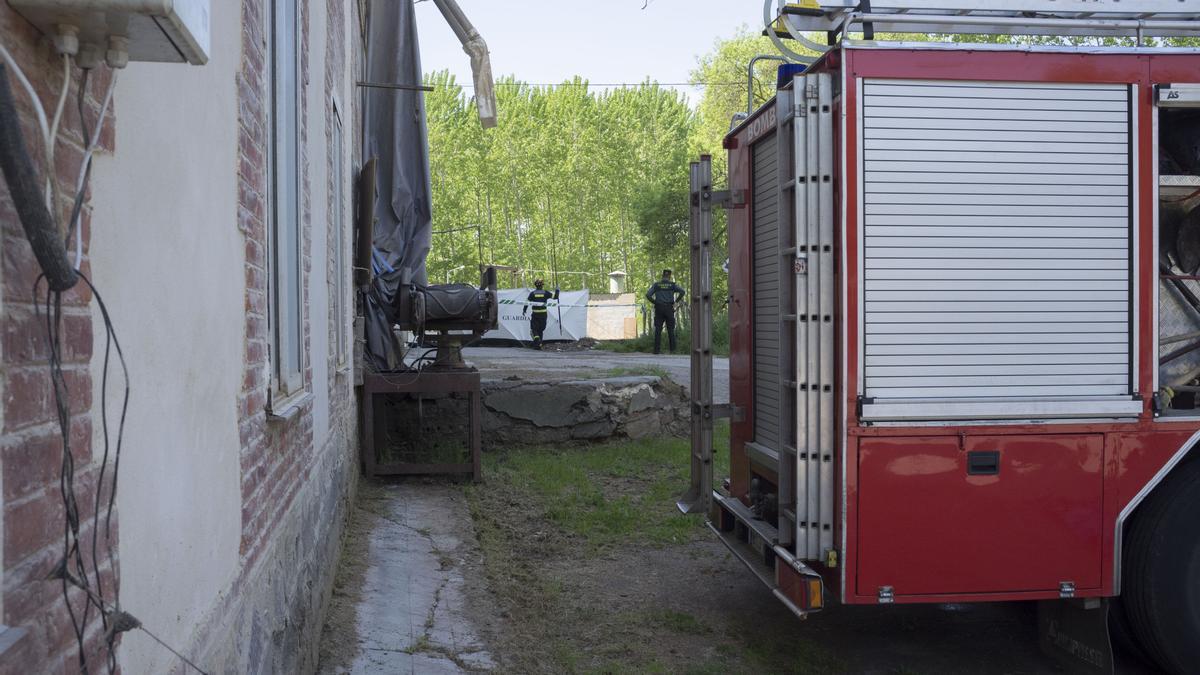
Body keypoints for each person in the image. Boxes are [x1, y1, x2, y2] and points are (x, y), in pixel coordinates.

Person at [645, 269, 685, 354]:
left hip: (659, 308)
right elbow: (682, 291)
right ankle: (673, 350)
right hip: (669, 308)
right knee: (670, 329)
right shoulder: (672, 285)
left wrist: (655, 302)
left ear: (662, 275)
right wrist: (676, 301)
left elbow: (648, 295)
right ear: (669, 276)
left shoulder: (657, 285)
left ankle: (656, 351)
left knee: (658, 329)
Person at [522, 278, 559, 350]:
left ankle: (537, 342)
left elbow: (527, 302)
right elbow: (556, 297)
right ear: (542, 285)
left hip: (535, 315)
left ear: (535, 285)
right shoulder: (545, 293)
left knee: (534, 330)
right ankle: (538, 345)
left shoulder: (532, 293)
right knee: (540, 330)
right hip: (543, 315)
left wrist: (524, 310)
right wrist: (557, 289)